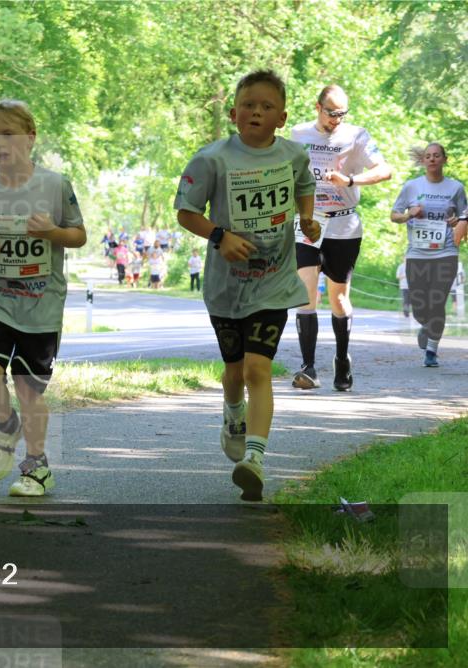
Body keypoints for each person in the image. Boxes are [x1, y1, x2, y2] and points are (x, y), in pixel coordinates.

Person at [175, 70, 318, 501]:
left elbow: (305, 186)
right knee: (234, 372)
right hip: (226, 287)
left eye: (267, 106)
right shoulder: (212, 159)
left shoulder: (293, 155)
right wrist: (219, 236)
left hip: (273, 280)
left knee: (259, 369)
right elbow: (185, 211)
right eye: (249, 105)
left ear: (282, 116)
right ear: (234, 111)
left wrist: (307, 217)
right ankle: (233, 413)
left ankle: (254, 459)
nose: (256, 111)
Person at [0, 100, 86, 497]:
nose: (0, 142)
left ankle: (36, 468)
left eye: (9, 134)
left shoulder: (55, 185)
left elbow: (79, 235)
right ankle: (6, 423)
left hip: (42, 303)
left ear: (30, 139)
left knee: (29, 389)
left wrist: (51, 232)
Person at [290, 85, 393, 391]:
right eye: (331, 113)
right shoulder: (297, 134)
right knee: (306, 291)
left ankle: (342, 359)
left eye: (342, 114)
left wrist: (350, 179)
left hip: (344, 224)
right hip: (308, 222)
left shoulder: (357, 136)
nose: (336, 119)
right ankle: (308, 367)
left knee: (339, 298)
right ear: (317, 107)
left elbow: (385, 170)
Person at [390, 143, 467, 367]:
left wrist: (457, 222)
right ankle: (425, 325)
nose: (432, 159)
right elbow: (394, 215)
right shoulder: (412, 187)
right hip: (417, 254)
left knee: (437, 302)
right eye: (428, 156)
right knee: (419, 305)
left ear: (444, 159)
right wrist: (408, 215)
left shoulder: (456, 188)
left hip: (446, 253)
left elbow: (464, 218)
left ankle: (432, 350)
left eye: (436, 156)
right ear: (423, 161)